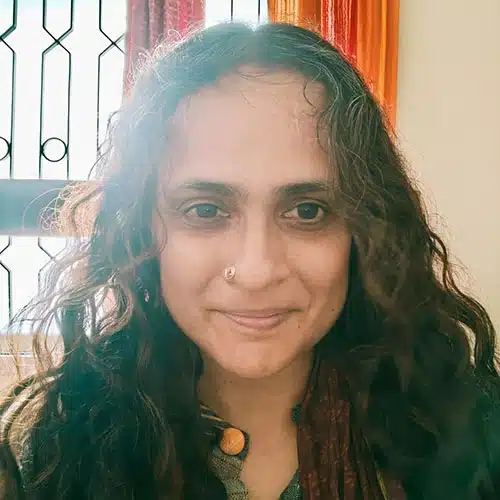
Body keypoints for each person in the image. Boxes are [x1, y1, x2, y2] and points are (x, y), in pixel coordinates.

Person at [0, 21, 499, 500]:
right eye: (205, 210)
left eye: (307, 211)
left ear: (365, 229)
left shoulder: (470, 430)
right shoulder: (45, 447)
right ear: (141, 228)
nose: (257, 271)